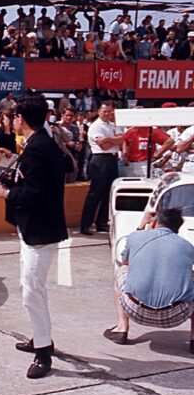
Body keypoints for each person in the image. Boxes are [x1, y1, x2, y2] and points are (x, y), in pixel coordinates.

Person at [0, 92, 68, 379]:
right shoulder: (41, 143)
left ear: (21, 119)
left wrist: (6, 192)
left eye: (13, 116)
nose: (11, 120)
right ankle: (40, 336)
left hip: (40, 231)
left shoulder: (37, 148)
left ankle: (43, 353)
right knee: (32, 289)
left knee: (31, 292)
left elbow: (36, 194)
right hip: (35, 230)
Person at [104, 208, 194, 352]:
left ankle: (121, 328)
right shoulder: (188, 246)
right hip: (175, 315)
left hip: (136, 310)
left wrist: (142, 224)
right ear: (177, 227)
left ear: (154, 222)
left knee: (121, 270)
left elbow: (126, 261)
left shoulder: (135, 236)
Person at [80, 101, 122, 235]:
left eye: (110, 111)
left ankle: (101, 222)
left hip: (113, 159)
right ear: (98, 111)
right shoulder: (96, 126)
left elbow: (122, 140)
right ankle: (86, 224)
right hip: (100, 160)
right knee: (95, 193)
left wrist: (109, 139)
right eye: (105, 111)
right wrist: (114, 139)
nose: (107, 114)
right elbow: (103, 146)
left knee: (108, 193)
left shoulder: (113, 125)